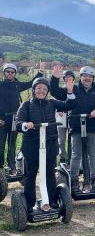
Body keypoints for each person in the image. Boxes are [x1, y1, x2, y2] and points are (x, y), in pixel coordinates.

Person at [15, 77, 76, 213]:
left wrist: (70, 91)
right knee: (31, 176)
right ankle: (29, 205)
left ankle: (52, 201)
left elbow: (69, 105)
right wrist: (25, 124)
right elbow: (18, 122)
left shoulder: (52, 103)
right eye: (38, 88)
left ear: (47, 91)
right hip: (31, 145)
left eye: (44, 89)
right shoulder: (26, 105)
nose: (41, 91)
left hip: (50, 143)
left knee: (49, 174)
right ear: (34, 90)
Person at [50, 65, 95, 192]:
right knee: (76, 155)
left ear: (93, 78)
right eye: (85, 76)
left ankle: (94, 179)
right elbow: (55, 92)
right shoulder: (72, 88)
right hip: (76, 126)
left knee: (93, 154)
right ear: (80, 77)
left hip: (93, 126)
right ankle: (74, 181)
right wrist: (55, 78)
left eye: (90, 76)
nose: (87, 78)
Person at [0, 63, 43, 175]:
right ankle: (0, 167)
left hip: (15, 119)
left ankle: (12, 165)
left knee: (12, 144)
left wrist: (40, 73)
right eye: (8, 71)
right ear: (4, 73)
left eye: (12, 72)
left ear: (15, 73)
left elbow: (30, 83)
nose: (10, 73)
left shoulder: (18, 85)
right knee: (1, 144)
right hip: (2, 120)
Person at [55, 69, 76, 164]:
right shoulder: (60, 90)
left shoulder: (77, 89)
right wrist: (57, 110)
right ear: (64, 79)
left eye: (70, 77)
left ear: (73, 79)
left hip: (73, 117)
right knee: (61, 140)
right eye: (66, 77)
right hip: (62, 116)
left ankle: (72, 159)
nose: (68, 79)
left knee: (72, 140)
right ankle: (62, 158)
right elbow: (56, 102)